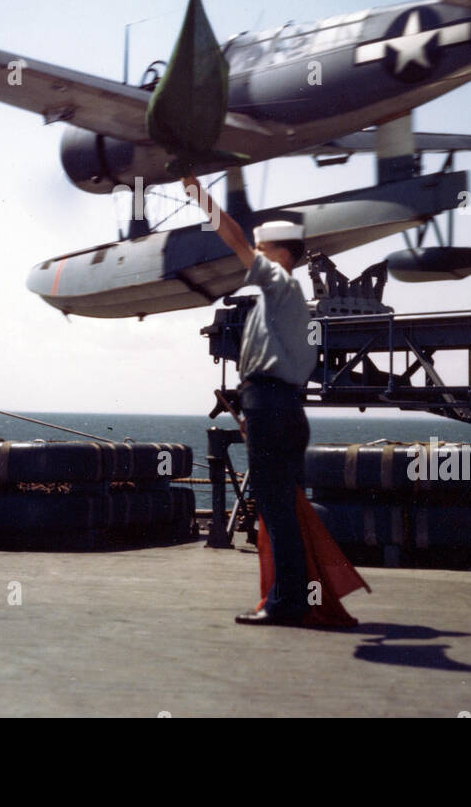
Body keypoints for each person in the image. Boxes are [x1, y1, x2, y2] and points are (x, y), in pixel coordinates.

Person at [182, 175, 320, 623]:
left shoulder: (277, 281)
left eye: (261, 251)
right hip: (284, 406)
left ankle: (286, 603)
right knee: (284, 505)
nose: (253, 258)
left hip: (268, 403)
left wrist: (199, 195)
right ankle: (292, 597)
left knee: (274, 507)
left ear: (277, 253)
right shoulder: (291, 302)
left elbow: (233, 236)